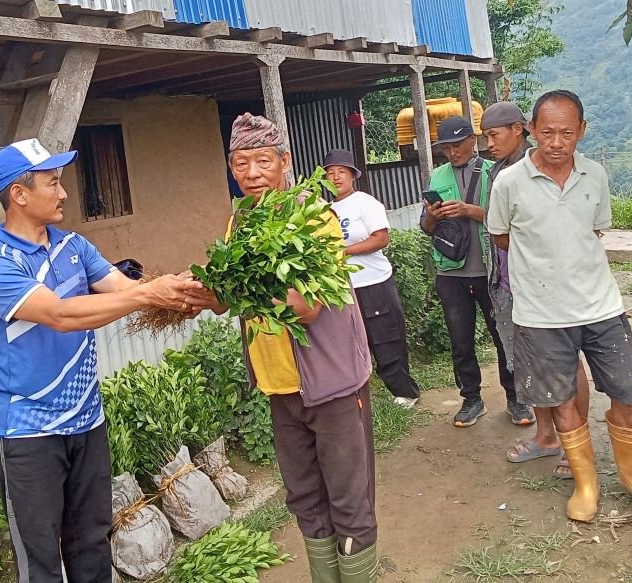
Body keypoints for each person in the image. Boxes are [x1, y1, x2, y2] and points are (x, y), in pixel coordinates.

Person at [0, 138, 206, 582]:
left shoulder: (74, 246)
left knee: (92, 544)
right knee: (40, 560)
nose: (63, 193)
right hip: (27, 432)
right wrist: (149, 294)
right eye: (52, 183)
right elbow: (60, 315)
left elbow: (125, 290)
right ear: (19, 194)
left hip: (86, 422)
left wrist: (188, 292)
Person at [189, 114, 378, 583]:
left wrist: (234, 292)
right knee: (305, 498)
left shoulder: (314, 218)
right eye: (241, 163)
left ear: (285, 161)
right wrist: (190, 294)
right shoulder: (241, 222)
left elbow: (305, 308)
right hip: (280, 386)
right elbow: (228, 295)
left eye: (262, 161)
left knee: (348, 501)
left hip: (331, 386)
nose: (251, 173)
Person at [486, 90, 632, 521]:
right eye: (548, 132)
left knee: (626, 396)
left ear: (582, 131)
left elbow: (594, 231)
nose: (557, 142)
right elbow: (500, 235)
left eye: (567, 133)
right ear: (531, 130)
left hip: (601, 307)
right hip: (541, 315)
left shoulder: (594, 175)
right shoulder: (508, 182)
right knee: (563, 401)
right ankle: (586, 486)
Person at [481, 102, 591, 479]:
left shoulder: (548, 170)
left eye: (493, 135)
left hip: (548, 287)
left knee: (566, 362)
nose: (488, 143)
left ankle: (577, 444)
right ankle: (546, 437)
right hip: (508, 285)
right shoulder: (500, 171)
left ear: (519, 129)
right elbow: (498, 231)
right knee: (530, 364)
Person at [419, 116, 532, 428]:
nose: (452, 152)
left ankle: (516, 398)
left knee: (504, 336)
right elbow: (425, 227)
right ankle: (471, 399)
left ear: (473, 140)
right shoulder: (437, 176)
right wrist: (433, 217)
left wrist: (469, 211)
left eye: (457, 145)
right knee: (460, 340)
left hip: (491, 271)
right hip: (450, 272)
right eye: (446, 148)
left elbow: (508, 220)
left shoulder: (494, 171)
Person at [324, 148, 422, 409]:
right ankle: (356, 396)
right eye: (330, 173)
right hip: (343, 288)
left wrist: (343, 252)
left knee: (386, 338)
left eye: (341, 172)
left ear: (352, 175)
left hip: (373, 283)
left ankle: (405, 392)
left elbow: (381, 239)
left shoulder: (365, 203)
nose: (336, 177)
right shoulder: (324, 210)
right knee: (349, 342)